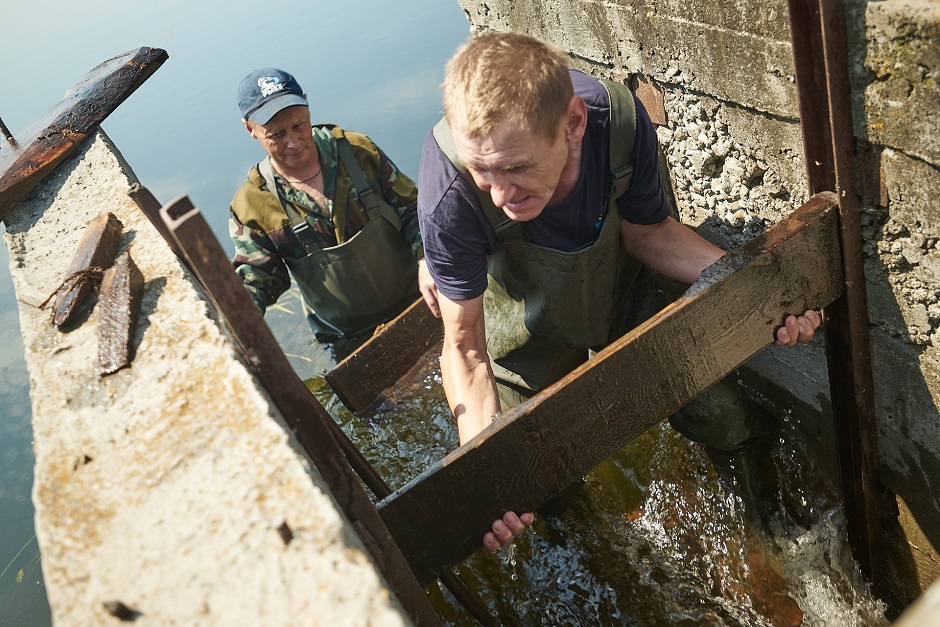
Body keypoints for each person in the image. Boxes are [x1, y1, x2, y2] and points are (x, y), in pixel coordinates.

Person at [416, 32, 821, 552]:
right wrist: (483, 462)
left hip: (619, 290)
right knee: (535, 483)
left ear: (574, 124)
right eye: (483, 172)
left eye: (516, 169)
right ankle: (595, 547)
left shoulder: (620, 128)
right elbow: (466, 345)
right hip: (524, 323)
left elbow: (648, 233)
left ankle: (774, 532)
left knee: (719, 411)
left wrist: (766, 290)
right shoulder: (449, 189)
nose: (500, 196)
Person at [230, 68, 437, 356]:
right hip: (347, 337)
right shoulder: (252, 203)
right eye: (276, 134)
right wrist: (238, 319)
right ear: (250, 129)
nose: (293, 142)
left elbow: (417, 212)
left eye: (299, 126)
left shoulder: (357, 151)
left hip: (422, 297)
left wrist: (427, 260)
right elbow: (260, 278)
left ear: (307, 104)